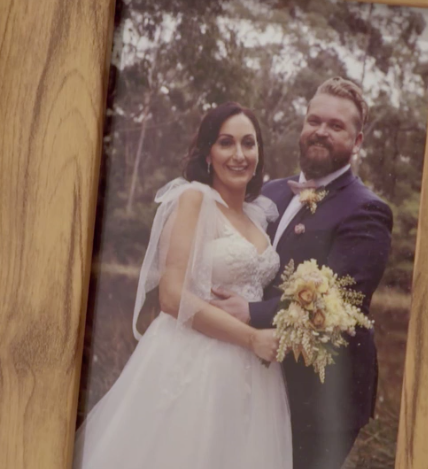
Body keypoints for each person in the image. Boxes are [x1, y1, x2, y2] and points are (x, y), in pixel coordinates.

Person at [72, 102, 293, 469]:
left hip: (254, 376)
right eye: (226, 143)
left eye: (248, 143)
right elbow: (171, 296)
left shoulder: (258, 215)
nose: (239, 155)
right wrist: (252, 338)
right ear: (208, 152)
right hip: (196, 362)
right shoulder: (193, 199)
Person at [212, 77, 394, 468]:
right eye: (314, 121)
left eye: (336, 126)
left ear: (358, 141)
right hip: (254, 375)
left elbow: (338, 301)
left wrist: (250, 312)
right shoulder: (270, 192)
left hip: (322, 397)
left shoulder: (367, 210)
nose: (321, 132)